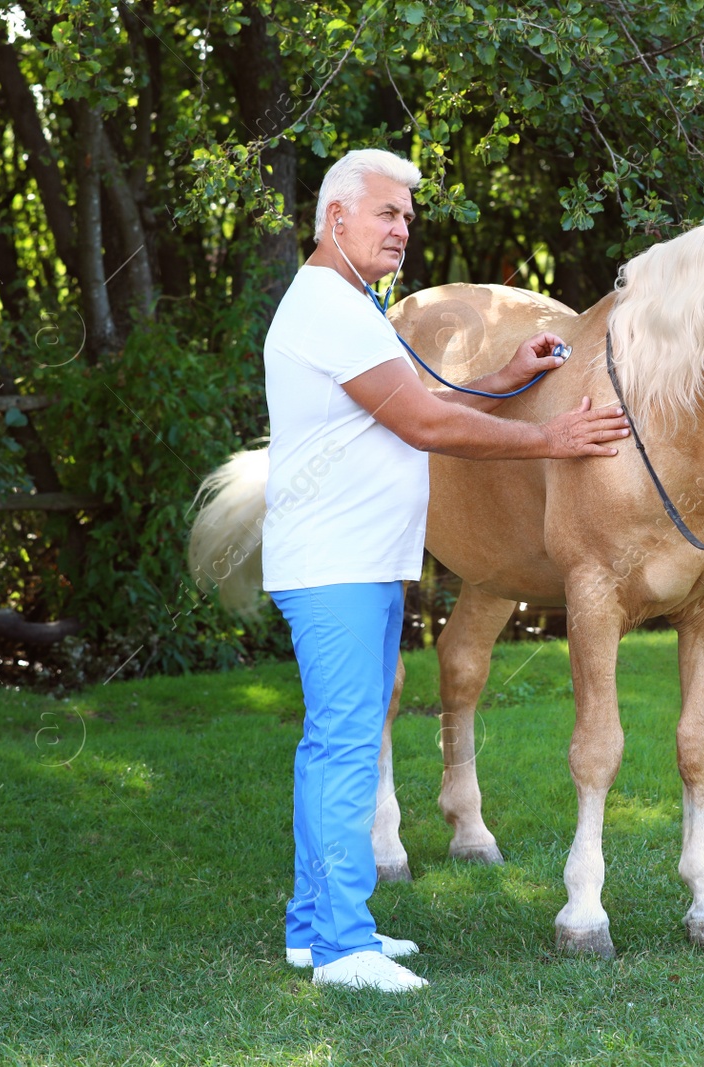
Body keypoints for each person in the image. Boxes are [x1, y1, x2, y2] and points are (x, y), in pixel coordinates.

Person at [261, 148, 629, 993]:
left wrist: (504, 379)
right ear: (336, 218)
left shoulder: (349, 306)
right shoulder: (326, 307)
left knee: (335, 744)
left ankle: (314, 929)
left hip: (358, 560)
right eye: (387, 213)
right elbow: (425, 426)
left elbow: (411, 409)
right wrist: (548, 437)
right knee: (345, 745)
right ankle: (344, 946)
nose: (403, 229)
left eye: (408, 217)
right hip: (335, 564)